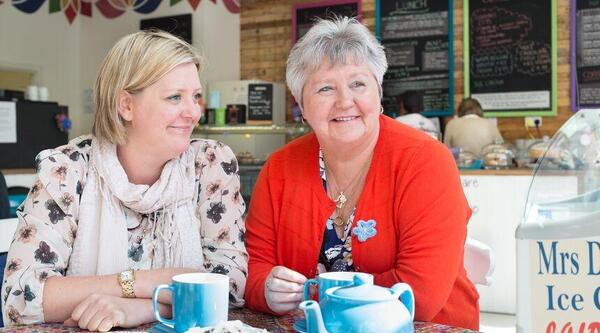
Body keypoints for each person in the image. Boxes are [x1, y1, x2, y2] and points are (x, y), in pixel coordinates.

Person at [1, 30, 247, 330]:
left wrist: (139, 309)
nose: (193, 112)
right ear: (126, 105)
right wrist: (146, 282)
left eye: (195, 96)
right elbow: (21, 298)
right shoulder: (66, 169)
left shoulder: (210, 164)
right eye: (174, 97)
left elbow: (228, 287)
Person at [244, 17, 479, 330]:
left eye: (358, 84)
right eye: (325, 88)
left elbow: (419, 294)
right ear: (300, 103)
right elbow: (251, 270)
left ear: (378, 92)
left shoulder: (425, 160)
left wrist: (309, 291)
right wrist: (267, 291)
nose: (345, 102)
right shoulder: (279, 168)